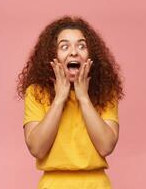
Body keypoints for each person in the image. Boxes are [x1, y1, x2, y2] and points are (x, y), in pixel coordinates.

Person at [17, 15, 124, 189]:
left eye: (81, 46)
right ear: (53, 56)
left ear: (91, 55)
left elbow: (106, 146)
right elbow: (37, 149)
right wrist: (59, 98)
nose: (74, 52)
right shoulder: (36, 93)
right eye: (64, 46)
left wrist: (83, 97)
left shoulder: (106, 92)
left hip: (96, 184)